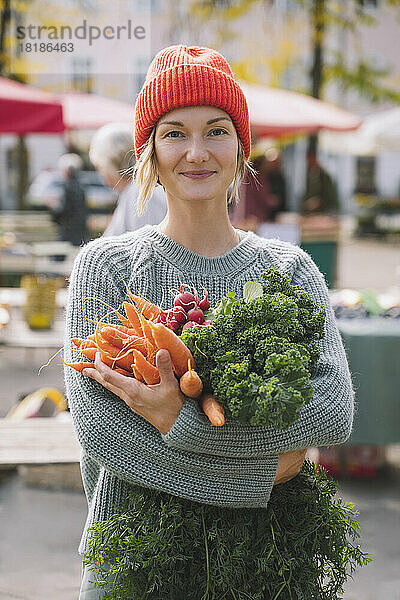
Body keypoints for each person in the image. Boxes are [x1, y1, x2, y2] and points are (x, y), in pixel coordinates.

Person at [64, 45, 354, 598]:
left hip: (273, 558)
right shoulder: (105, 268)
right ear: (148, 151)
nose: (196, 152)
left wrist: (177, 421)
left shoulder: (287, 268)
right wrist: (262, 473)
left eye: (216, 130)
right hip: (138, 558)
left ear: (242, 148)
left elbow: (330, 411)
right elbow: (110, 440)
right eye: (174, 133)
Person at [89, 122, 167, 236]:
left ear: (108, 163)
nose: (100, 174)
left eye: (99, 166)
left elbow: (147, 246)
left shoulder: (140, 194)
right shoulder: (137, 190)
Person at [49, 153, 88, 247]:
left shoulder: (67, 187)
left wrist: (53, 207)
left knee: (59, 256)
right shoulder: (81, 186)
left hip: (68, 229)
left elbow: (63, 209)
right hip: (80, 228)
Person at [301, 148, 339, 214]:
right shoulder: (309, 175)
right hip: (311, 213)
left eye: (310, 159)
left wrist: (319, 201)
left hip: (324, 212)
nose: (308, 162)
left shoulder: (325, 177)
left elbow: (330, 197)